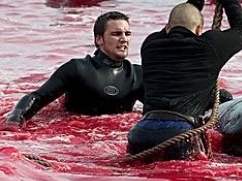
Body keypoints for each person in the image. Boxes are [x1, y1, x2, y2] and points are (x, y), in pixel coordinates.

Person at [127, 0, 242, 161]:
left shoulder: (150, 44)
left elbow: (181, 19)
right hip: (180, 135)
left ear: (167, 27)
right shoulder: (209, 46)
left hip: (141, 134)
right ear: (198, 30)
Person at [5, 12, 143, 126]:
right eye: (117, 34)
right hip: (73, 134)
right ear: (99, 39)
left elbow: (159, 109)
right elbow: (38, 97)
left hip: (110, 140)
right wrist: (15, 119)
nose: (124, 39)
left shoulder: (137, 75)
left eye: (128, 34)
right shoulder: (77, 69)